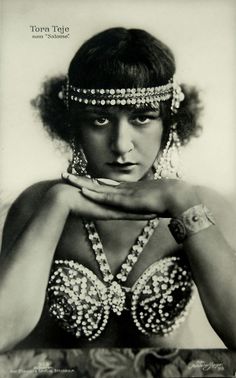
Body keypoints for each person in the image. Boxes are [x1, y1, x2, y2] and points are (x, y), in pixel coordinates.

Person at [0, 27, 236, 351]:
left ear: (169, 123)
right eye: (99, 120)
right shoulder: (35, 204)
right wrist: (57, 203)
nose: (121, 145)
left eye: (142, 118)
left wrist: (180, 200)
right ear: (72, 126)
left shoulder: (205, 206)